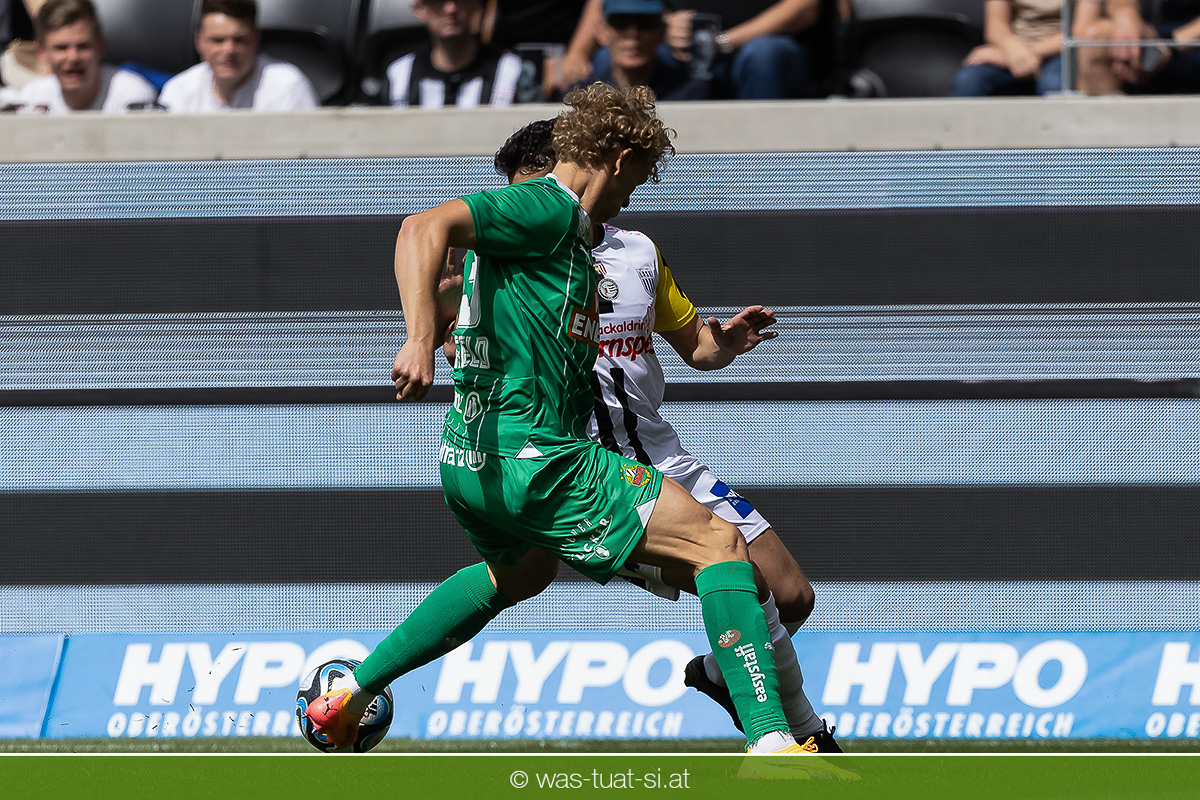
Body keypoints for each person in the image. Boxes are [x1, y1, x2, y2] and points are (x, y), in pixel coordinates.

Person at [305, 83, 827, 766]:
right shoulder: (548, 208)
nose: (633, 196)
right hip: (541, 457)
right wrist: (419, 338)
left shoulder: (579, 245)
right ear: (619, 158)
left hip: (472, 461)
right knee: (718, 545)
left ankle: (350, 693)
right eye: (638, 177)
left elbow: (483, 299)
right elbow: (419, 229)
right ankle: (773, 739)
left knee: (518, 576)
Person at [487, 119, 843, 754]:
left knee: (793, 596)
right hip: (592, 472)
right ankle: (797, 735)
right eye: (513, 196)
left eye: (529, 190)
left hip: (662, 453)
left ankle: (720, 675)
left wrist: (723, 342)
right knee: (740, 578)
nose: (521, 208)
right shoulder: (510, 264)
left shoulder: (637, 252)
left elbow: (695, 346)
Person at [562, 0, 826, 99]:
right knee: (608, 58)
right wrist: (578, 52)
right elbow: (610, 7)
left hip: (756, 50)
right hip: (677, 49)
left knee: (764, 55)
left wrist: (721, 41)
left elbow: (806, 8)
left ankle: (764, 170)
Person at [158, 0, 318, 112]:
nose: (229, 50)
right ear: (199, 41)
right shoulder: (178, 92)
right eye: (218, 40)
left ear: (256, 39)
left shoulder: (288, 88)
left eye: (240, 40)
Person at [10, 0, 156, 113]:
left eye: (83, 46)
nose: (73, 57)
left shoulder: (132, 96)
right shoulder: (32, 99)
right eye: (61, 48)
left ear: (101, 46)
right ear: (41, 52)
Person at [386, 0, 535, 108]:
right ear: (419, 8)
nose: (451, 8)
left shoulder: (511, 70)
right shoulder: (399, 74)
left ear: (477, 4)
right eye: (439, 1)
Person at [581, 0, 710, 100]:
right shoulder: (583, 95)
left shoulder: (690, 93)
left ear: (663, 30)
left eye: (645, 22)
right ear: (602, 31)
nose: (633, 33)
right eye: (621, 22)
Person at [951, 0, 1075, 96]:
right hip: (1013, 47)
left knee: (1053, 84)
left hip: (1063, 51)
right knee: (969, 80)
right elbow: (996, 26)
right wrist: (1013, 51)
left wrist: (1023, 56)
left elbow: (1079, 32)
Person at [1075, 0, 1200, 95]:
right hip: (1149, 33)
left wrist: (1171, 44)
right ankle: (1107, 118)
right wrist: (1126, 15)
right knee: (1096, 40)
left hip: (1189, 39)